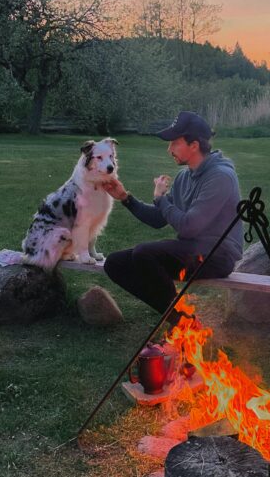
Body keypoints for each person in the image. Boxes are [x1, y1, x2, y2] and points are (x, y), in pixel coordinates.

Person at [102, 110, 243, 323]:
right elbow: (160, 219)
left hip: (217, 255)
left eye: (174, 143)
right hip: (191, 250)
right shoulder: (184, 177)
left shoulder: (221, 177)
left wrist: (161, 199)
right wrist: (125, 198)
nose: (169, 150)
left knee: (144, 253)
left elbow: (189, 226)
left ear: (194, 145)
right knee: (115, 263)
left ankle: (183, 323)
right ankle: (180, 318)